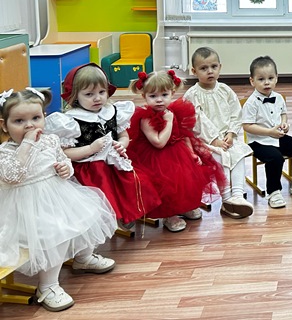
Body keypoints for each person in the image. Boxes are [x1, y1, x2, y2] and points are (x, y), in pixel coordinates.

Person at [0, 88, 116, 313]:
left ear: (44, 117)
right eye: (19, 121)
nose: (29, 126)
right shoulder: (5, 151)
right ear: (4, 125)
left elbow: (64, 162)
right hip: (24, 209)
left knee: (85, 216)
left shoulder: (50, 141)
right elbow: (12, 176)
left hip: (55, 195)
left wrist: (65, 168)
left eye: (36, 118)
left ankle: (83, 257)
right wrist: (27, 144)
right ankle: (47, 286)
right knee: (54, 233)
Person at [45, 63, 161, 231]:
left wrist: (122, 145)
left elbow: (123, 135)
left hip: (114, 162)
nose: (97, 98)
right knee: (103, 193)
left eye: (102, 92)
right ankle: (109, 219)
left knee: (133, 183)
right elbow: (65, 153)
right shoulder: (70, 121)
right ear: (75, 96)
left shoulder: (113, 111)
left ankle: (127, 214)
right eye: (89, 94)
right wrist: (91, 149)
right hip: (89, 169)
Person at [126, 70, 226, 232]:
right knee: (166, 184)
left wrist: (191, 153)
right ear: (144, 96)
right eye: (153, 96)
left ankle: (184, 207)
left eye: (164, 95)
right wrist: (168, 121)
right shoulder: (145, 117)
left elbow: (183, 135)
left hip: (178, 151)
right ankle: (169, 215)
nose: (159, 100)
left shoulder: (173, 111)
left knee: (187, 179)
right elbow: (158, 142)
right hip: (155, 157)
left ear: (172, 93)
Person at [183, 48, 253, 219]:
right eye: (204, 68)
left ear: (220, 67)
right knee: (220, 158)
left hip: (227, 138)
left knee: (238, 156)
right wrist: (214, 139)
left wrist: (231, 133)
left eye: (214, 67)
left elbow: (235, 112)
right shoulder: (193, 94)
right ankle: (227, 199)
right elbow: (198, 120)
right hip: (205, 141)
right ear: (194, 71)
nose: (210, 71)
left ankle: (238, 195)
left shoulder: (225, 90)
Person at [242, 56, 292, 208]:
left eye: (270, 78)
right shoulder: (251, 103)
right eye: (261, 79)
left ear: (276, 78)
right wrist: (269, 131)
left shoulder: (279, 98)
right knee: (275, 158)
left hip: (277, 136)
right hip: (258, 141)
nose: (266, 82)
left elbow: (283, 114)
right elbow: (247, 126)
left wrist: (284, 123)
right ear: (252, 81)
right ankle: (273, 192)